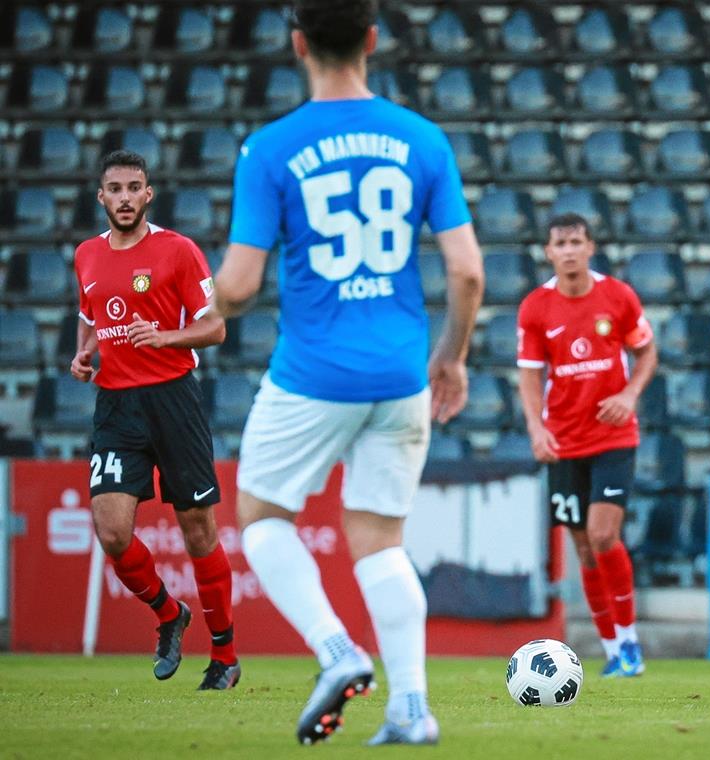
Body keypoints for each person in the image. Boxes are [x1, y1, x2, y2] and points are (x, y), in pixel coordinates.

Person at [211, 0, 484, 746]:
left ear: (298, 43)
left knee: (263, 518)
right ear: (371, 39)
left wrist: (189, 305)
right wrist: (451, 358)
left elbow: (236, 288)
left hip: (312, 374)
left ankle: (337, 653)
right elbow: (465, 273)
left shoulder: (270, 148)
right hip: (400, 376)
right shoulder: (422, 138)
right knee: (380, 541)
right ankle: (412, 711)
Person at [70, 149, 238, 690]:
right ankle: (169, 614)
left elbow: (215, 328)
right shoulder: (86, 256)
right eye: (113, 189)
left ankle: (224, 658)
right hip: (116, 405)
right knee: (113, 532)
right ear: (101, 197)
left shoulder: (178, 251)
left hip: (173, 400)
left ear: (148, 195)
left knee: (197, 531)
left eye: (133, 188)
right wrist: (84, 353)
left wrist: (164, 336)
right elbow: (90, 314)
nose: (123, 198)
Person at [517, 213, 658, 678]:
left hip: (614, 435)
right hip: (563, 440)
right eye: (561, 243)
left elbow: (646, 352)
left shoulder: (617, 296)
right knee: (583, 550)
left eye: (577, 241)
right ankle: (612, 648)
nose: (570, 250)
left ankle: (632, 643)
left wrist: (629, 394)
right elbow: (530, 375)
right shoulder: (535, 307)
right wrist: (537, 430)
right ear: (549, 252)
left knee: (603, 536)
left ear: (590, 247)